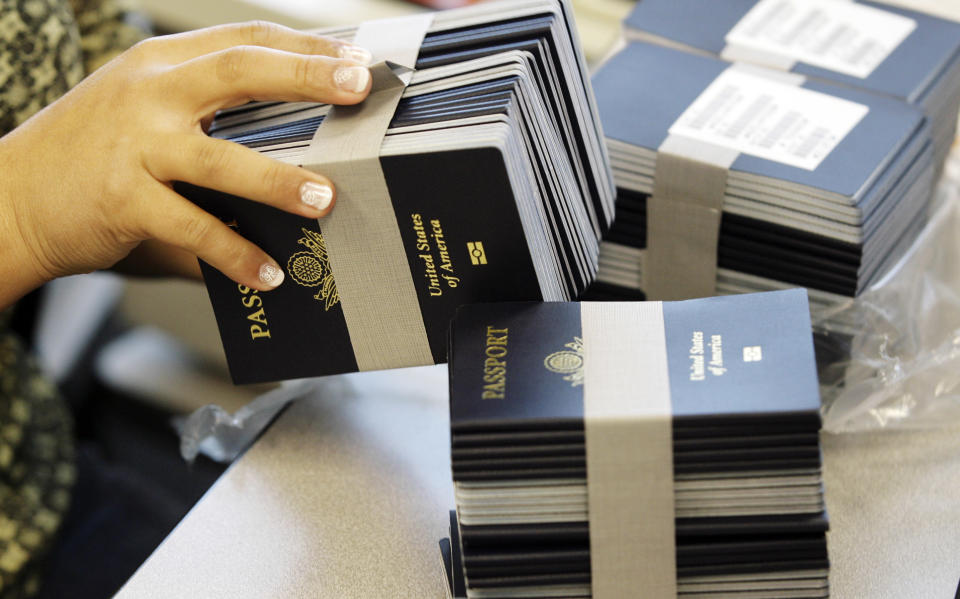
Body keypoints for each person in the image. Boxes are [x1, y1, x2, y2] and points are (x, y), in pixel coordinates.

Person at [0, 1, 372, 594]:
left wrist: (261, 228)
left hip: (34, 475)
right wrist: (19, 213)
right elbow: (43, 189)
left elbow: (95, 168)